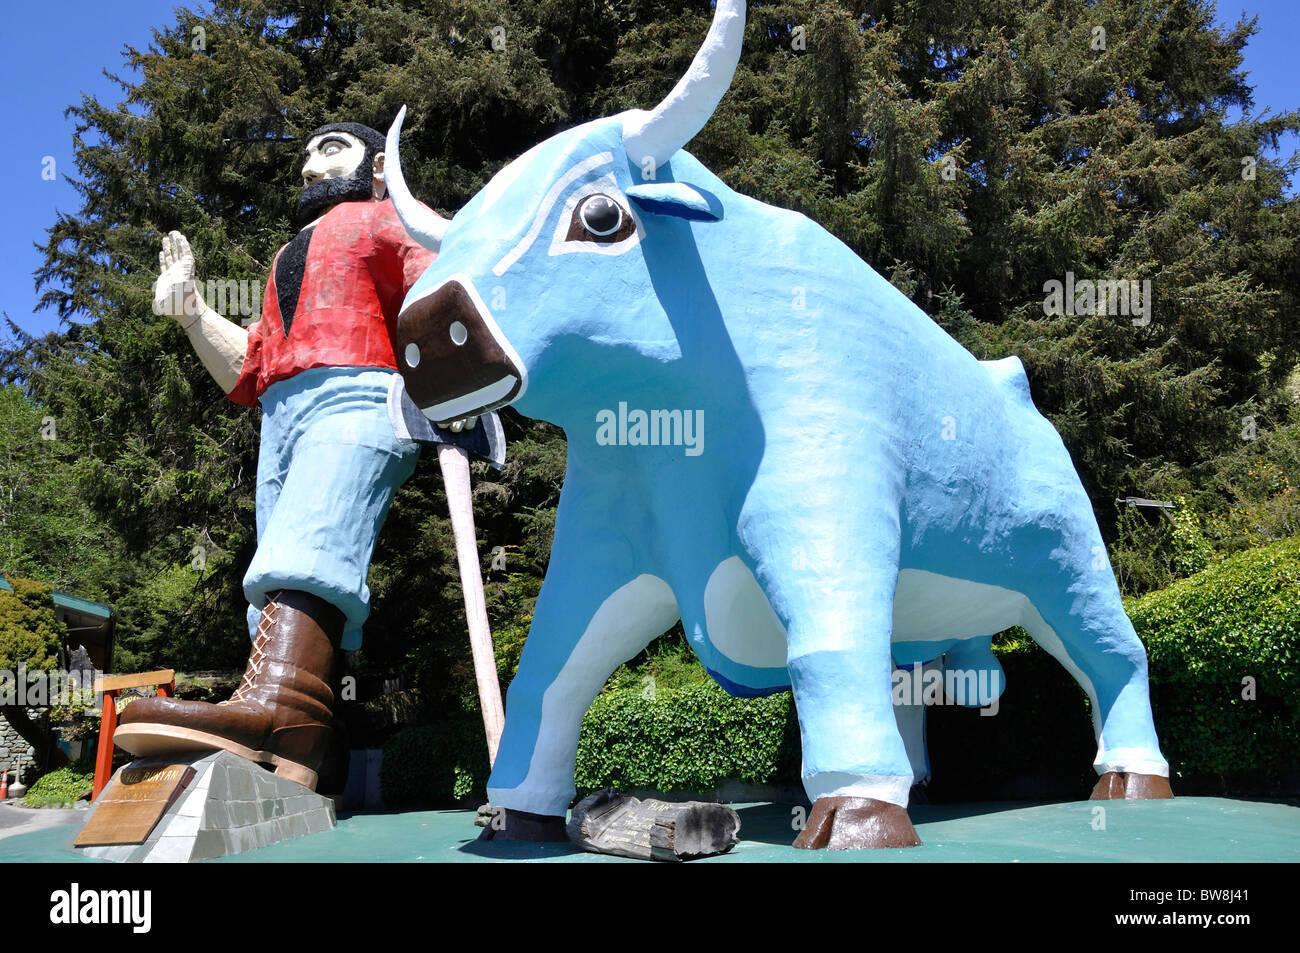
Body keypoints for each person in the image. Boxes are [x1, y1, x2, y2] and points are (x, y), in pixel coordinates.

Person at [115, 122, 469, 791]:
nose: (308, 167)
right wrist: (192, 311)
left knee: (314, 539)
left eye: (329, 149)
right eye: (304, 155)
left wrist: (461, 384)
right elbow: (250, 367)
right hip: (280, 415)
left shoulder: (392, 220)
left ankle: (279, 710)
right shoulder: (287, 253)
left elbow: (446, 287)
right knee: (273, 579)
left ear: (380, 165)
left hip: (361, 393)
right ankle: (302, 745)